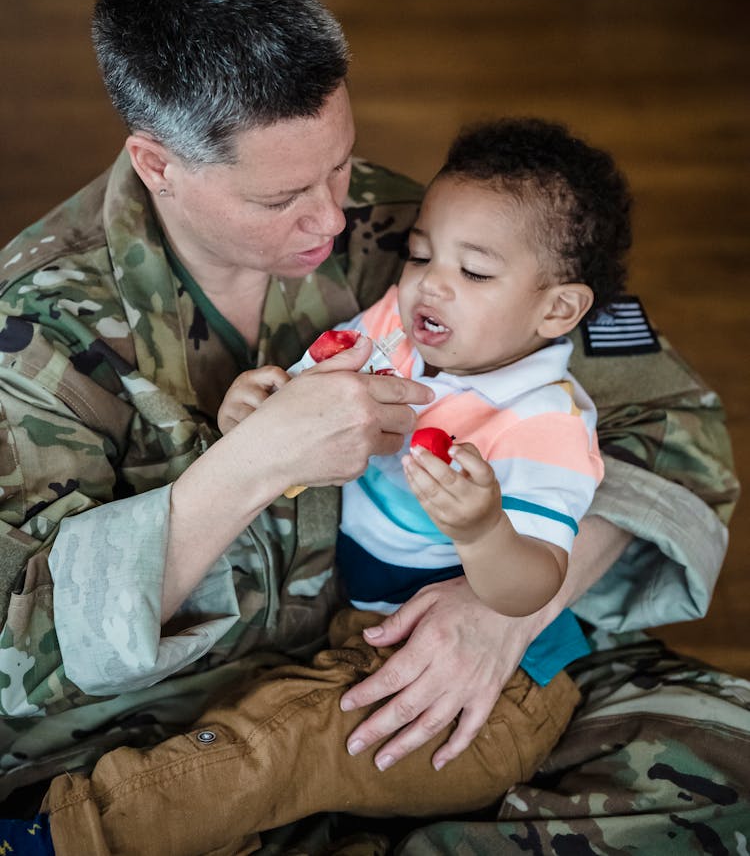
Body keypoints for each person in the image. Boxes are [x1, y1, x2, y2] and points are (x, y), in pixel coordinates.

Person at [0, 0, 746, 856]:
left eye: (340, 163)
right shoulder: (36, 329)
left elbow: (668, 420)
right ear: (159, 165)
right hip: (171, 729)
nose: (332, 218)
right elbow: (17, 644)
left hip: (444, 645)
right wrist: (254, 460)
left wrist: (507, 613)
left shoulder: (422, 230)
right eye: (281, 200)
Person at [33, 117, 624, 855]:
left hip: (500, 689)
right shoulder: (402, 330)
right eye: (418, 255)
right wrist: (252, 411)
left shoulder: (545, 423)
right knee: (263, 734)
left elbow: (531, 587)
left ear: (558, 309)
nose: (429, 284)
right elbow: (303, 405)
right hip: (362, 635)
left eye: (473, 272)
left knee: (278, 742)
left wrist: (483, 532)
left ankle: (64, 834)